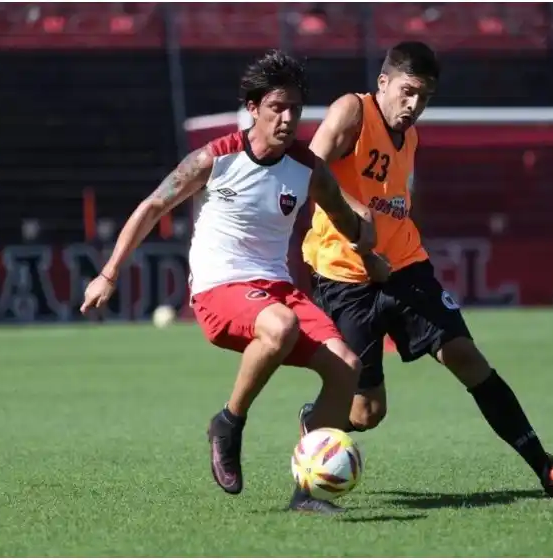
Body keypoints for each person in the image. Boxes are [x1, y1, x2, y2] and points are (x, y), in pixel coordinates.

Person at [80, 51, 377, 515]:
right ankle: (228, 422)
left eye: (295, 109)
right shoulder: (214, 158)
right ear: (253, 108)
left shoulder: (307, 169)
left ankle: (306, 493)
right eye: (277, 107)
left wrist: (368, 250)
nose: (287, 118)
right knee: (279, 326)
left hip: (277, 289)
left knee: (347, 366)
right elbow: (151, 207)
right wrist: (108, 273)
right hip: (220, 289)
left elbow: (341, 215)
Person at [300, 41, 553, 496]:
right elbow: (308, 170)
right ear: (383, 83)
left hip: (406, 269)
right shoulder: (352, 112)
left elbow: (394, 202)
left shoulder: (410, 136)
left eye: (425, 96)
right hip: (346, 280)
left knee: (465, 355)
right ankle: (313, 431)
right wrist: (361, 228)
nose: (415, 105)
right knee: (366, 414)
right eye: (408, 91)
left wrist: (389, 238)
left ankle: (547, 468)